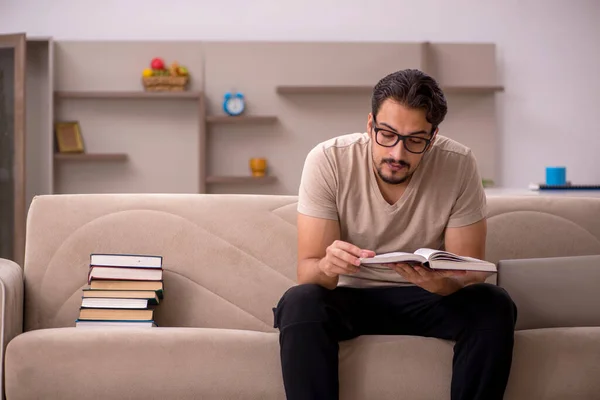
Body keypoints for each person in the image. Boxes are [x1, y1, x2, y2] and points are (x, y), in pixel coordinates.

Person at [272, 69, 517, 400]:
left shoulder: (458, 164)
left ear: (432, 137)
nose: (397, 154)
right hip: (350, 297)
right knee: (299, 302)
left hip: (428, 299)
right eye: (386, 134)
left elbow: (469, 274)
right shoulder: (328, 160)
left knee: (493, 303)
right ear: (370, 125)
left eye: (415, 140)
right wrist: (329, 266)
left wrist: (441, 283)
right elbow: (309, 272)